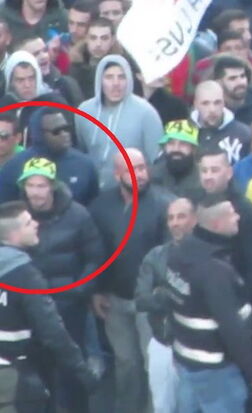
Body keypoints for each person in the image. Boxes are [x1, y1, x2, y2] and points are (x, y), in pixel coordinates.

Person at [166, 195, 252, 411]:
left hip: (186, 360)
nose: (238, 217)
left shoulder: (179, 254)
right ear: (216, 224)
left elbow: (173, 303)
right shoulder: (214, 270)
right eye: (232, 213)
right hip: (216, 370)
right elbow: (231, 328)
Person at [89, 149, 175, 412]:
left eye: (141, 167)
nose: (139, 174)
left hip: (149, 302)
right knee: (126, 363)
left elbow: (171, 254)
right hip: (114, 298)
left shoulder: (165, 204)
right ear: (117, 174)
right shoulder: (100, 205)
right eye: (130, 169)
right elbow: (95, 251)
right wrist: (97, 290)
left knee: (154, 366)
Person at [18, 157, 102, 413]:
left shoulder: (78, 214)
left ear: (53, 186)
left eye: (41, 185)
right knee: (36, 379)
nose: (35, 192)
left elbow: (95, 257)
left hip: (69, 309)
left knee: (73, 374)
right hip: (30, 313)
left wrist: (78, 290)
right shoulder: (17, 218)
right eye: (30, 185)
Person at [0, 201, 98, 410]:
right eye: (28, 223)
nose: (36, 224)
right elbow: (52, 331)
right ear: (13, 235)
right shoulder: (25, 277)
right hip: (17, 379)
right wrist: (81, 370)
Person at [134, 197, 197, 413]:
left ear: (195, 219)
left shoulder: (208, 254)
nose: (175, 223)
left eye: (181, 216)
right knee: (162, 407)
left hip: (197, 346)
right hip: (163, 342)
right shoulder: (156, 255)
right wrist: (174, 295)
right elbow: (142, 299)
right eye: (171, 218)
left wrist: (162, 291)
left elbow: (204, 301)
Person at [76, 55, 164, 190]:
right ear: (100, 80)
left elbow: (157, 162)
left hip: (132, 192)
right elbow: (82, 151)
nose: (116, 83)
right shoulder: (84, 111)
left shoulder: (146, 113)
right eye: (109, 77)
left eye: (121, 77)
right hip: (93, 192)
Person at [0, 108, 99, 205]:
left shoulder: (85, 165)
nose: (64, 134)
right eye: (56, 131)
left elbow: (93, 207)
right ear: (39, 134)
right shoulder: (14, 167)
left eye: (66, 128)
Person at [190, 79, 252, 165]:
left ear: (224, 103)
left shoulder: (244, 134)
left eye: (217, 103)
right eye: (205, 103)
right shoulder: (183, 133)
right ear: (196, 104)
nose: (212, 109)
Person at [212, 55, 252, 126]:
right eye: (232, 78)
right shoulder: (210, 109)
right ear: (219, 82)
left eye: (242, 76)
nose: (240, 82)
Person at [150, 120, 202, 198]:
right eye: (171, 143)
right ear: (164, 147)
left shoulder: (203, 177)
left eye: (183, 144)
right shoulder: (152, 176)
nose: (176, 149)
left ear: (193, 149)